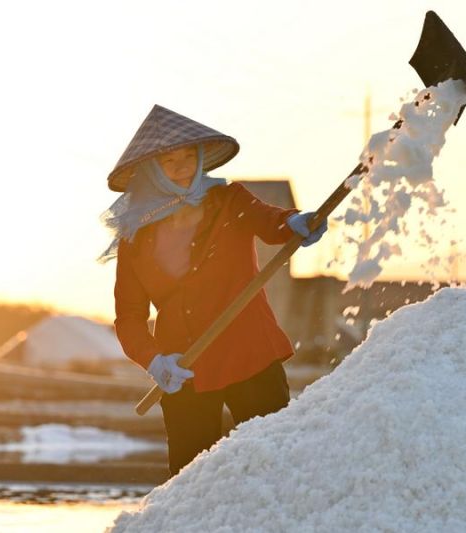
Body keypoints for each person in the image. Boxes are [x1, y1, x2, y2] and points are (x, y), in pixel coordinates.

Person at [100, 105, 327, 475]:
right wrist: (155, 361)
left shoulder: (230, 202)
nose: (182, 166)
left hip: (251, 355)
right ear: (151, 170)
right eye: (169, 160)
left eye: (189, 155)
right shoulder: (135, 239)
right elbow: (129, 318)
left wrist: (296, 222)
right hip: (185, 371)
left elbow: (273, 223)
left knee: (275, 463)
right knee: (190, 479)